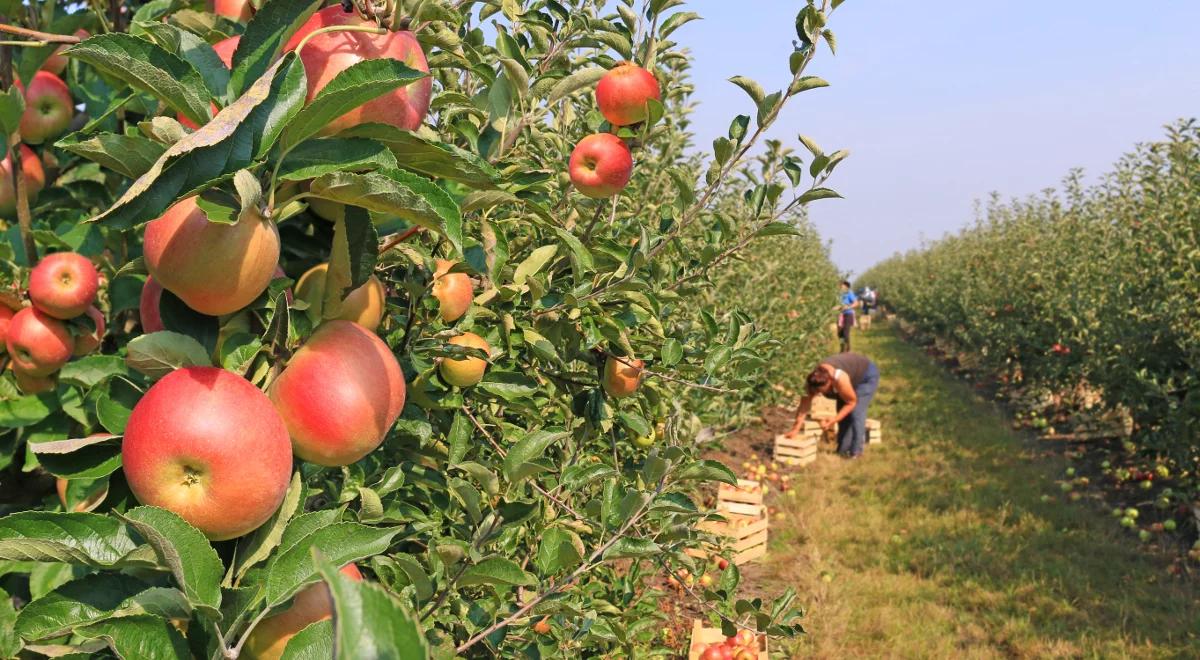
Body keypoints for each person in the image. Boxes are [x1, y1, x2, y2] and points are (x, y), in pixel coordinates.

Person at [785, 351, 880, 458]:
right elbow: (804, 407)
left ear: (830, 381)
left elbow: (851, 403)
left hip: (865, 376)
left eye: (823, 391)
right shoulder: (813, 380)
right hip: (850, 375)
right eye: (817, 392)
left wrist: (833, 420)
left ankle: (856, 451)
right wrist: (795, 429)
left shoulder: (840, 378)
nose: (820, 394)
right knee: (842, 413)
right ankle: (842, 450)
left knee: (856, 412)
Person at [836, 280, 857, 352]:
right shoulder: (838, 294)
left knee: (846, 332)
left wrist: (848, 307)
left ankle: (847, 349)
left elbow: (856, 303)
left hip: (848, 314)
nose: (840, 287)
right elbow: (837, 304)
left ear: (846, 286)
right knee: (840, 333)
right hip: (840, 315)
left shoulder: (849, 293)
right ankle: (842, 348)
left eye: (842, 285)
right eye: (840, 286)